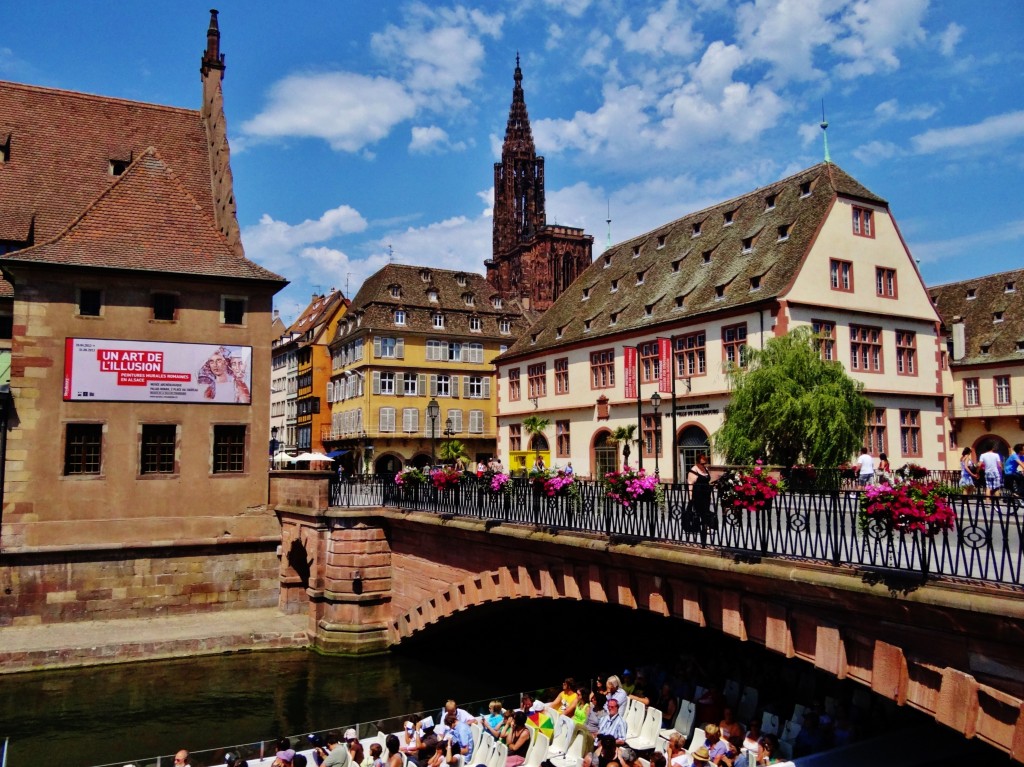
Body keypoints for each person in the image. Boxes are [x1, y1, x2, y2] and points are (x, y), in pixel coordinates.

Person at [687, 455, 713, 534]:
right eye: (702, 463)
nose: (703, 465)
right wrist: (690, 497)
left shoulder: (705, 469)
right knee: (699, 511)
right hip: (698, 494)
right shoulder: (693, 470)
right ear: (698, 462)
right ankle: (698, 526)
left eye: (705, 463)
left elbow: (708, 480)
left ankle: (705, 525)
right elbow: (690, 484)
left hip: (706, 493)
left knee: (706, 510)